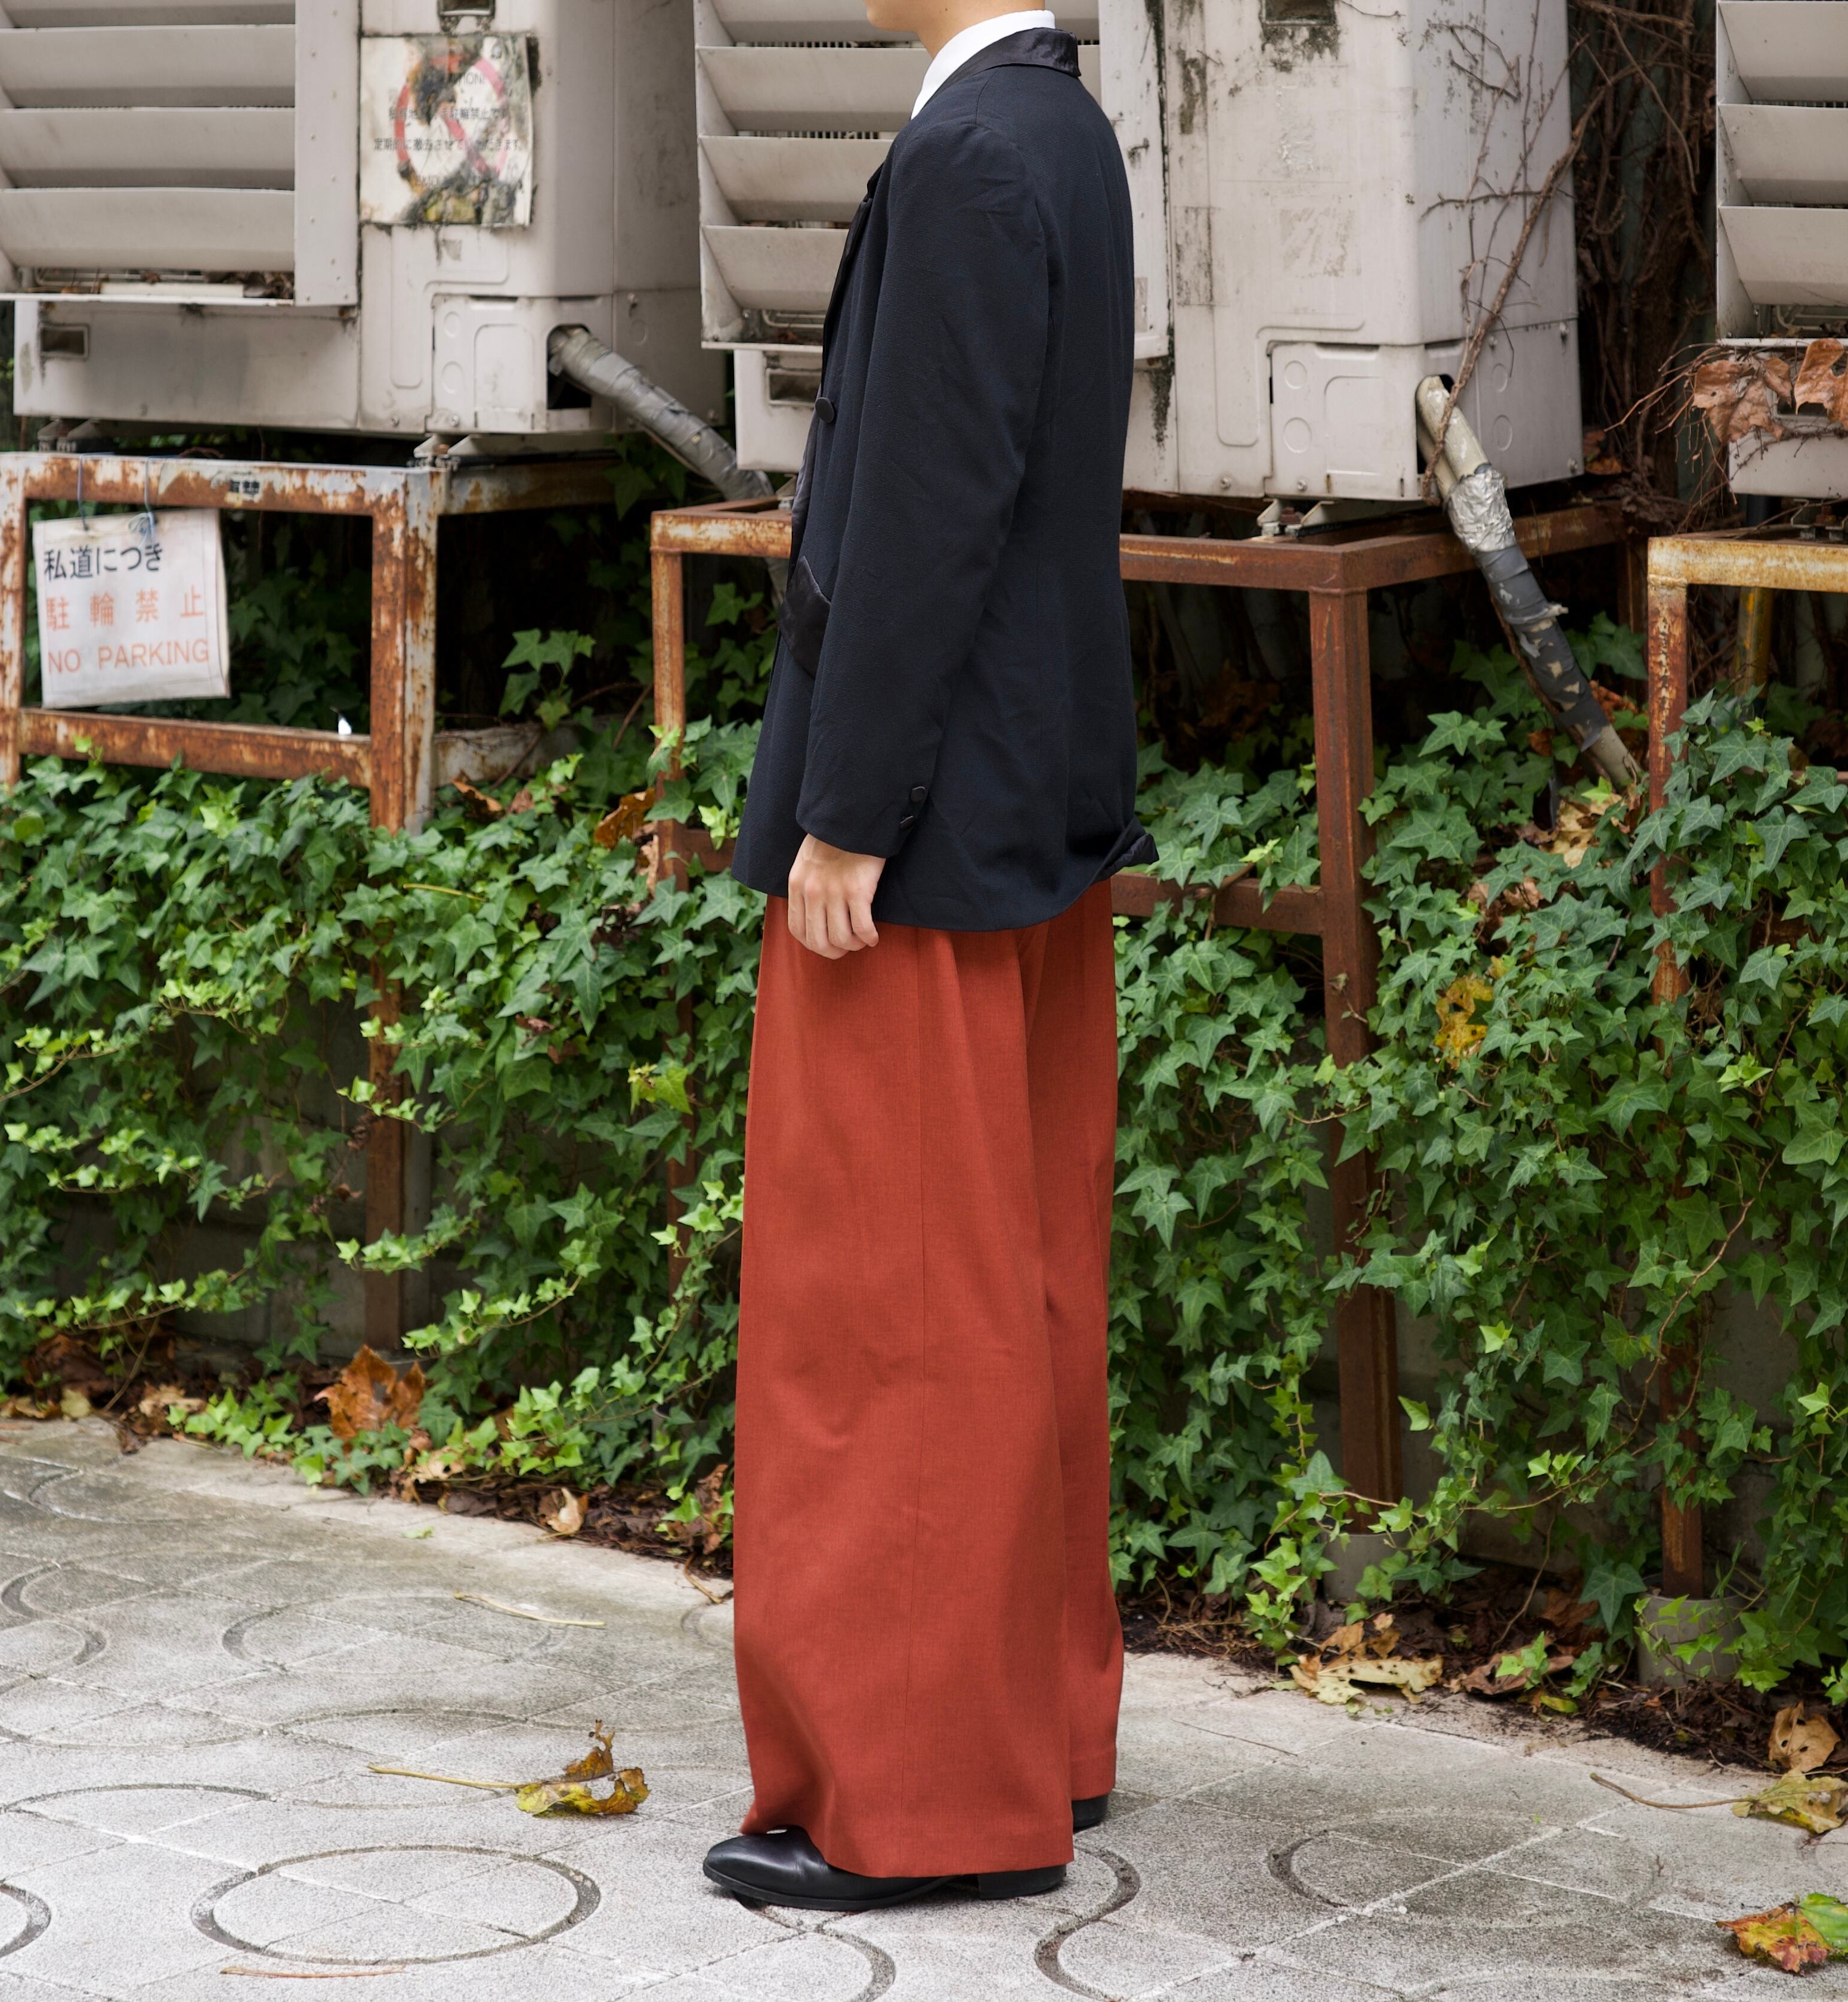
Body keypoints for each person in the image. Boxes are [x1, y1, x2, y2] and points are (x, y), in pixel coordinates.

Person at [702, 0, 1149, 1914]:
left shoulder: (971, 152)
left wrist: (850, 808)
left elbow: (925, 513)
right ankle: (1037, 1735)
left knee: (888, 1310)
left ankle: (919, 1802)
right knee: (1022, 1286)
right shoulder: (1064, 133)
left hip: (927, 835)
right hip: (1025, 807)